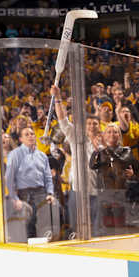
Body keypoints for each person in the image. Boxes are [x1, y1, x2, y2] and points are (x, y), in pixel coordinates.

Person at [52, 85, 101, 237]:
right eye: (89, 123)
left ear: (100, 127)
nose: (92, 126)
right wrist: (58, 98)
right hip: (78, 190)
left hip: (97, 192)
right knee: (76, 230)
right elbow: (63, 121)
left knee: (96, 232)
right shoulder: (75, 137)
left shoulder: (103, 143)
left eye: (95, 123)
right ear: (84, 126)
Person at [5, 127, 59, 241]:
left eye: (32, 134)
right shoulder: (14, 154)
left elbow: (48, 177)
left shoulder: (42, 155)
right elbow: (9, 179)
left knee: (44, 228)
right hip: (23, 195)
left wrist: (50, 193)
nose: (30, 136)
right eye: (27, 134)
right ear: (20, 139)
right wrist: (14, 198)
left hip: (41, 193)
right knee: (26, 229)